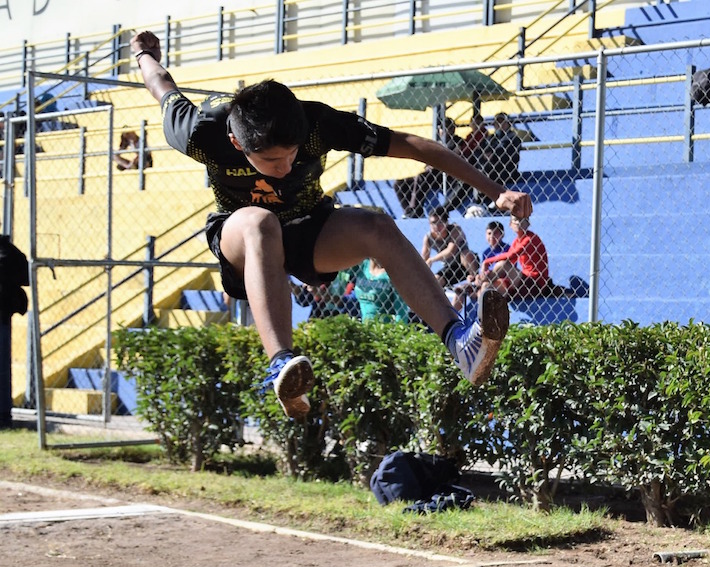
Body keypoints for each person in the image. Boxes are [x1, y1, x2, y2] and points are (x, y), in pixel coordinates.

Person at [130, 30, 532, 418]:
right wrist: (145, 55)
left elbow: (414, 146)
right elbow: (162, 86)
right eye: (271, 161)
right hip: (241, 235)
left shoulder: (317, 123)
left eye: (291, 155)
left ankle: (460, 343)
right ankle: (281, 365)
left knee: (378, 227)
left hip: (310, 227)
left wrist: (496, 191)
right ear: (238, 144)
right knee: (260, 223)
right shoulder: (203, 133)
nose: (284, 167)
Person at [475, 214, 558, 301]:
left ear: (528, 223)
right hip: (520, 283)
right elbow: (511, 261)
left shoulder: (531, 239)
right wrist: (486, 273)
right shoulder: (516, 242)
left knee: (502, 264)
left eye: (522, 220)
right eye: (515, 220)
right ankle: (483, 286)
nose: (518, 222)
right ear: (510, 225)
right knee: (486, 286)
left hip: (535, 283)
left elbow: (511, 256)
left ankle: (481, 281)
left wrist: (487, 262)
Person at [393, 117, 465, 218]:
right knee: (400, 184)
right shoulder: (438, 142)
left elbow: (454, 157)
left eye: (447, 128)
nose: (444, 131)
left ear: (453, 129)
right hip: (432, 173)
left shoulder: (458, 141)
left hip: (446, 174)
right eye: (442, 128)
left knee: (422, 177)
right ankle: (408, 211)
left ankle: (415, 209)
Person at [421, 206, 479, 289]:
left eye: (440, 222)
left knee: (465, 254)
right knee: (436, 280)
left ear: (446, 222)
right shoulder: (428, 237)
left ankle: (474, 279)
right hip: (451, 267)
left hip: (466, 263)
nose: (436, 226)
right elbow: (424, 259)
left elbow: (450, 251)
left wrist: (432, 260)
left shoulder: (455, 229)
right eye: (433, 223)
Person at [351, 257, 410, 323]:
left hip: (382, 326)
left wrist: (398, 327)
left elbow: (401, 311)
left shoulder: (393, 273)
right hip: (361, 324)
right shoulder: (362, 265)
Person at [481, 112, 523, 188]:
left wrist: (494, 156)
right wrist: (486, 156)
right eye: (497, 122)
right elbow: (482, 151)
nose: (500, 124)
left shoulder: (514, 138)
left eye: (503, 122)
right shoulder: (490, 138)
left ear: (508, 124)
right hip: (489, 167)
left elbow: (511, 156)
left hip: (507, 171)